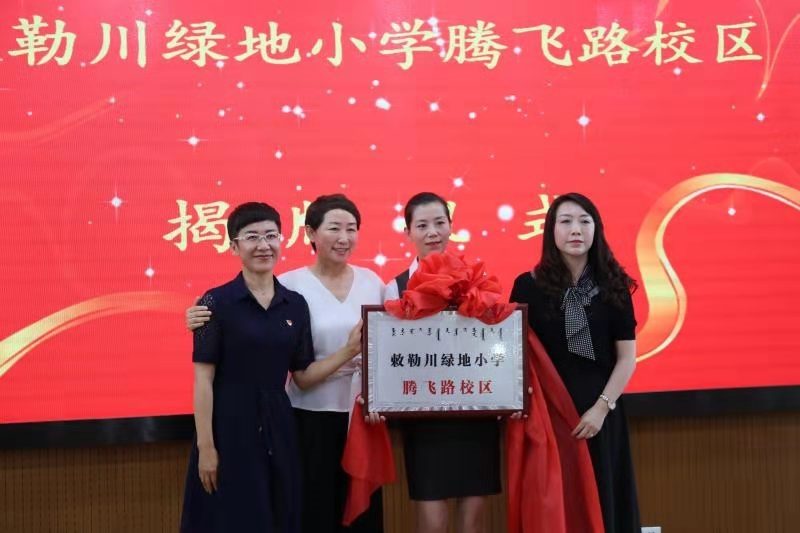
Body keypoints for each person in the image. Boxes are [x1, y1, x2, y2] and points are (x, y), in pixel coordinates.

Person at [186, 194, 385, 533]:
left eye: (270, 236)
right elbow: (203, 380)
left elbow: (302, 373)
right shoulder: (215, 301)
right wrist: (206, 446)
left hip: (283, 422)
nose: (263, 245)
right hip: (234, 422)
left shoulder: (293, 302)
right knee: (231, 514)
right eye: (252, 237)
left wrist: (353, 354)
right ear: (234, 246)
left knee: (282, 511)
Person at [509, 192, 641, 533]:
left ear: (596, 229)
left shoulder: (613, 285)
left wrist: (601, 409)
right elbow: (513, 355)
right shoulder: (528, 286)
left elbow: (627, 358)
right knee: (555, 506)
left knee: (604, 502)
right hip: (549, 416)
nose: (576, 230)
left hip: (598, 416)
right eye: (565, 221)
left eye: (585, 221)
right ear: (551, 230)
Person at [385, 192, 501, 533]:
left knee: (472, 523)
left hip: (475, 413)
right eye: (422, 225)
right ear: (408, 232)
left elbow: (496, 343)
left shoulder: (478, 280)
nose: (432, 232)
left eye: (439, 223)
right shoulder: (395, 287)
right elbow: (388, 354)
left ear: (451, 226)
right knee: (432, 523)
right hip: (425, 419)